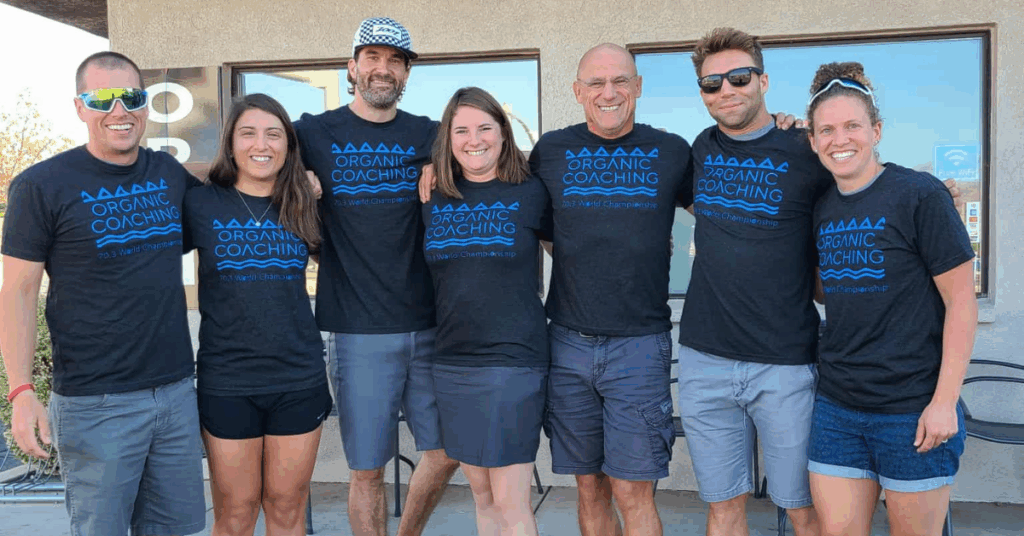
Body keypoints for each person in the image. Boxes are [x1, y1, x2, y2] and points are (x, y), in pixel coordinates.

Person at [0, 51, 206, 535]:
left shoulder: (167, 173)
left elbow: (228, 197)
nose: (119, 110)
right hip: (96, 403)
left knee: (176, 530)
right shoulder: (41, 186)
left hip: (175, 392)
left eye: (131, 97)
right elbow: (18, 293)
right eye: (102, 99)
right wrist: (22, 391)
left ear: (145, 105)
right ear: (79, 107)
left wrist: (294, 176)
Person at [291, 16, 459, 536]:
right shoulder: (311, 133)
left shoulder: (431, 135)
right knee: (367, 469)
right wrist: (297, 179)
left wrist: (445, 168)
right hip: (356, 328)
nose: (383, 69)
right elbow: (252, 160)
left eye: (394, 61)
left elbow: (488, 171)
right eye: (372, 58)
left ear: (406, 73)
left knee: (447, 450)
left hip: (431, 324)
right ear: (352, 67)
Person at [806, 62, 977, 536]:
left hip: (912, 408)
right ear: (813, 141)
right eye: (827, 130)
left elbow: (962, 302)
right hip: (837, 407)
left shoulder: (919, 195)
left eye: (852, 126)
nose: (840, 139)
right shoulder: (822, 207)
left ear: (876, 131)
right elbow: (828, 289)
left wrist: (945, 402)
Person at [674, 28, 829, 536]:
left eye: (739, 78)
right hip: (704, 357)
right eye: (712, 83)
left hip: (785, 362)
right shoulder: (701, 148)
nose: (726, 90)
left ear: (763, 81)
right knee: (723, 507)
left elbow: (862, 191)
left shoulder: (806, 148)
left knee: (803, 508)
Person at [183, 93, 330, 536]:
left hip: (298, 378)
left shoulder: (305, 202)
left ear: (288, 145)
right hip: (228, 381)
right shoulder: (201, 204)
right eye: (247, 133)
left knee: (286, 508)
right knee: (236, 513)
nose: (260, 144)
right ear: (231, 143)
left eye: (273, 134)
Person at [422, 86, 551, 536]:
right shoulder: (432, 196)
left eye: (484, 128)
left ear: (503, 133)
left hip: (513, 360)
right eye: (461, 130)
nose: (473, 140)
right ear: (447, 138)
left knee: (511, 499)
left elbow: (573, 253)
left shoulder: (532, 191)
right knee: (482, 496)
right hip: (453, 362)